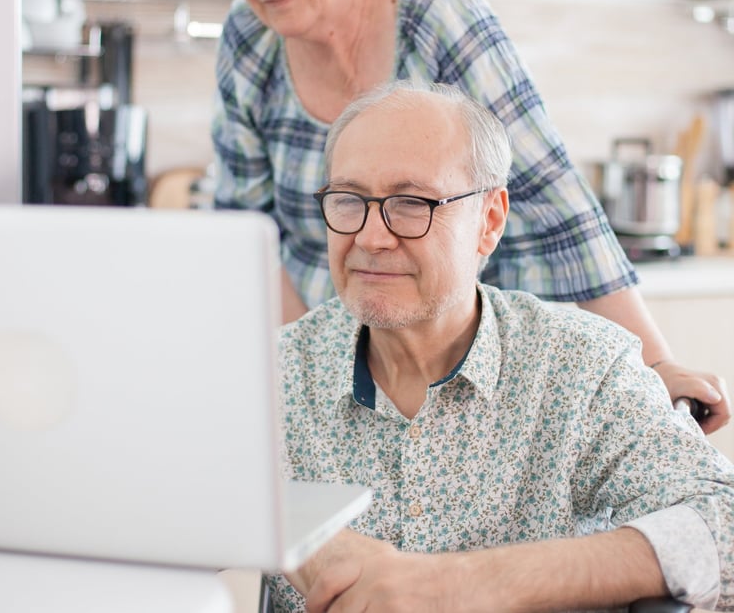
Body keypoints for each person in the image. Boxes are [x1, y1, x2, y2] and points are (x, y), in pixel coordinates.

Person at [202, 0, 730, 431]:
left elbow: (553, 197)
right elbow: (250, 231)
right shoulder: (248, 39)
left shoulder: (435, 11)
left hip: (484, 359)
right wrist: (302, 377)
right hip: (350, 363)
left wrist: (656, 363)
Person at [270, 80, 734, 613]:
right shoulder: (272, 373)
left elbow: (723, 521)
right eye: (350, 200)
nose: (372, 237)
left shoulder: (581, 369)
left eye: (411, 203)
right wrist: (290, 525)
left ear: (488, 221)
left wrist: (469, 583)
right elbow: (160, 498)